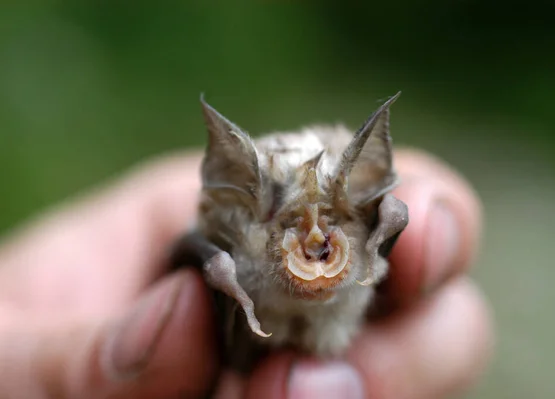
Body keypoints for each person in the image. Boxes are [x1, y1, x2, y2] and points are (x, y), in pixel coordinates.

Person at [0, 148, 492, 399]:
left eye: (332, 226)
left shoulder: (377, 238)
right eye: (294, 229)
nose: (316, 240)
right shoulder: (234, 256)